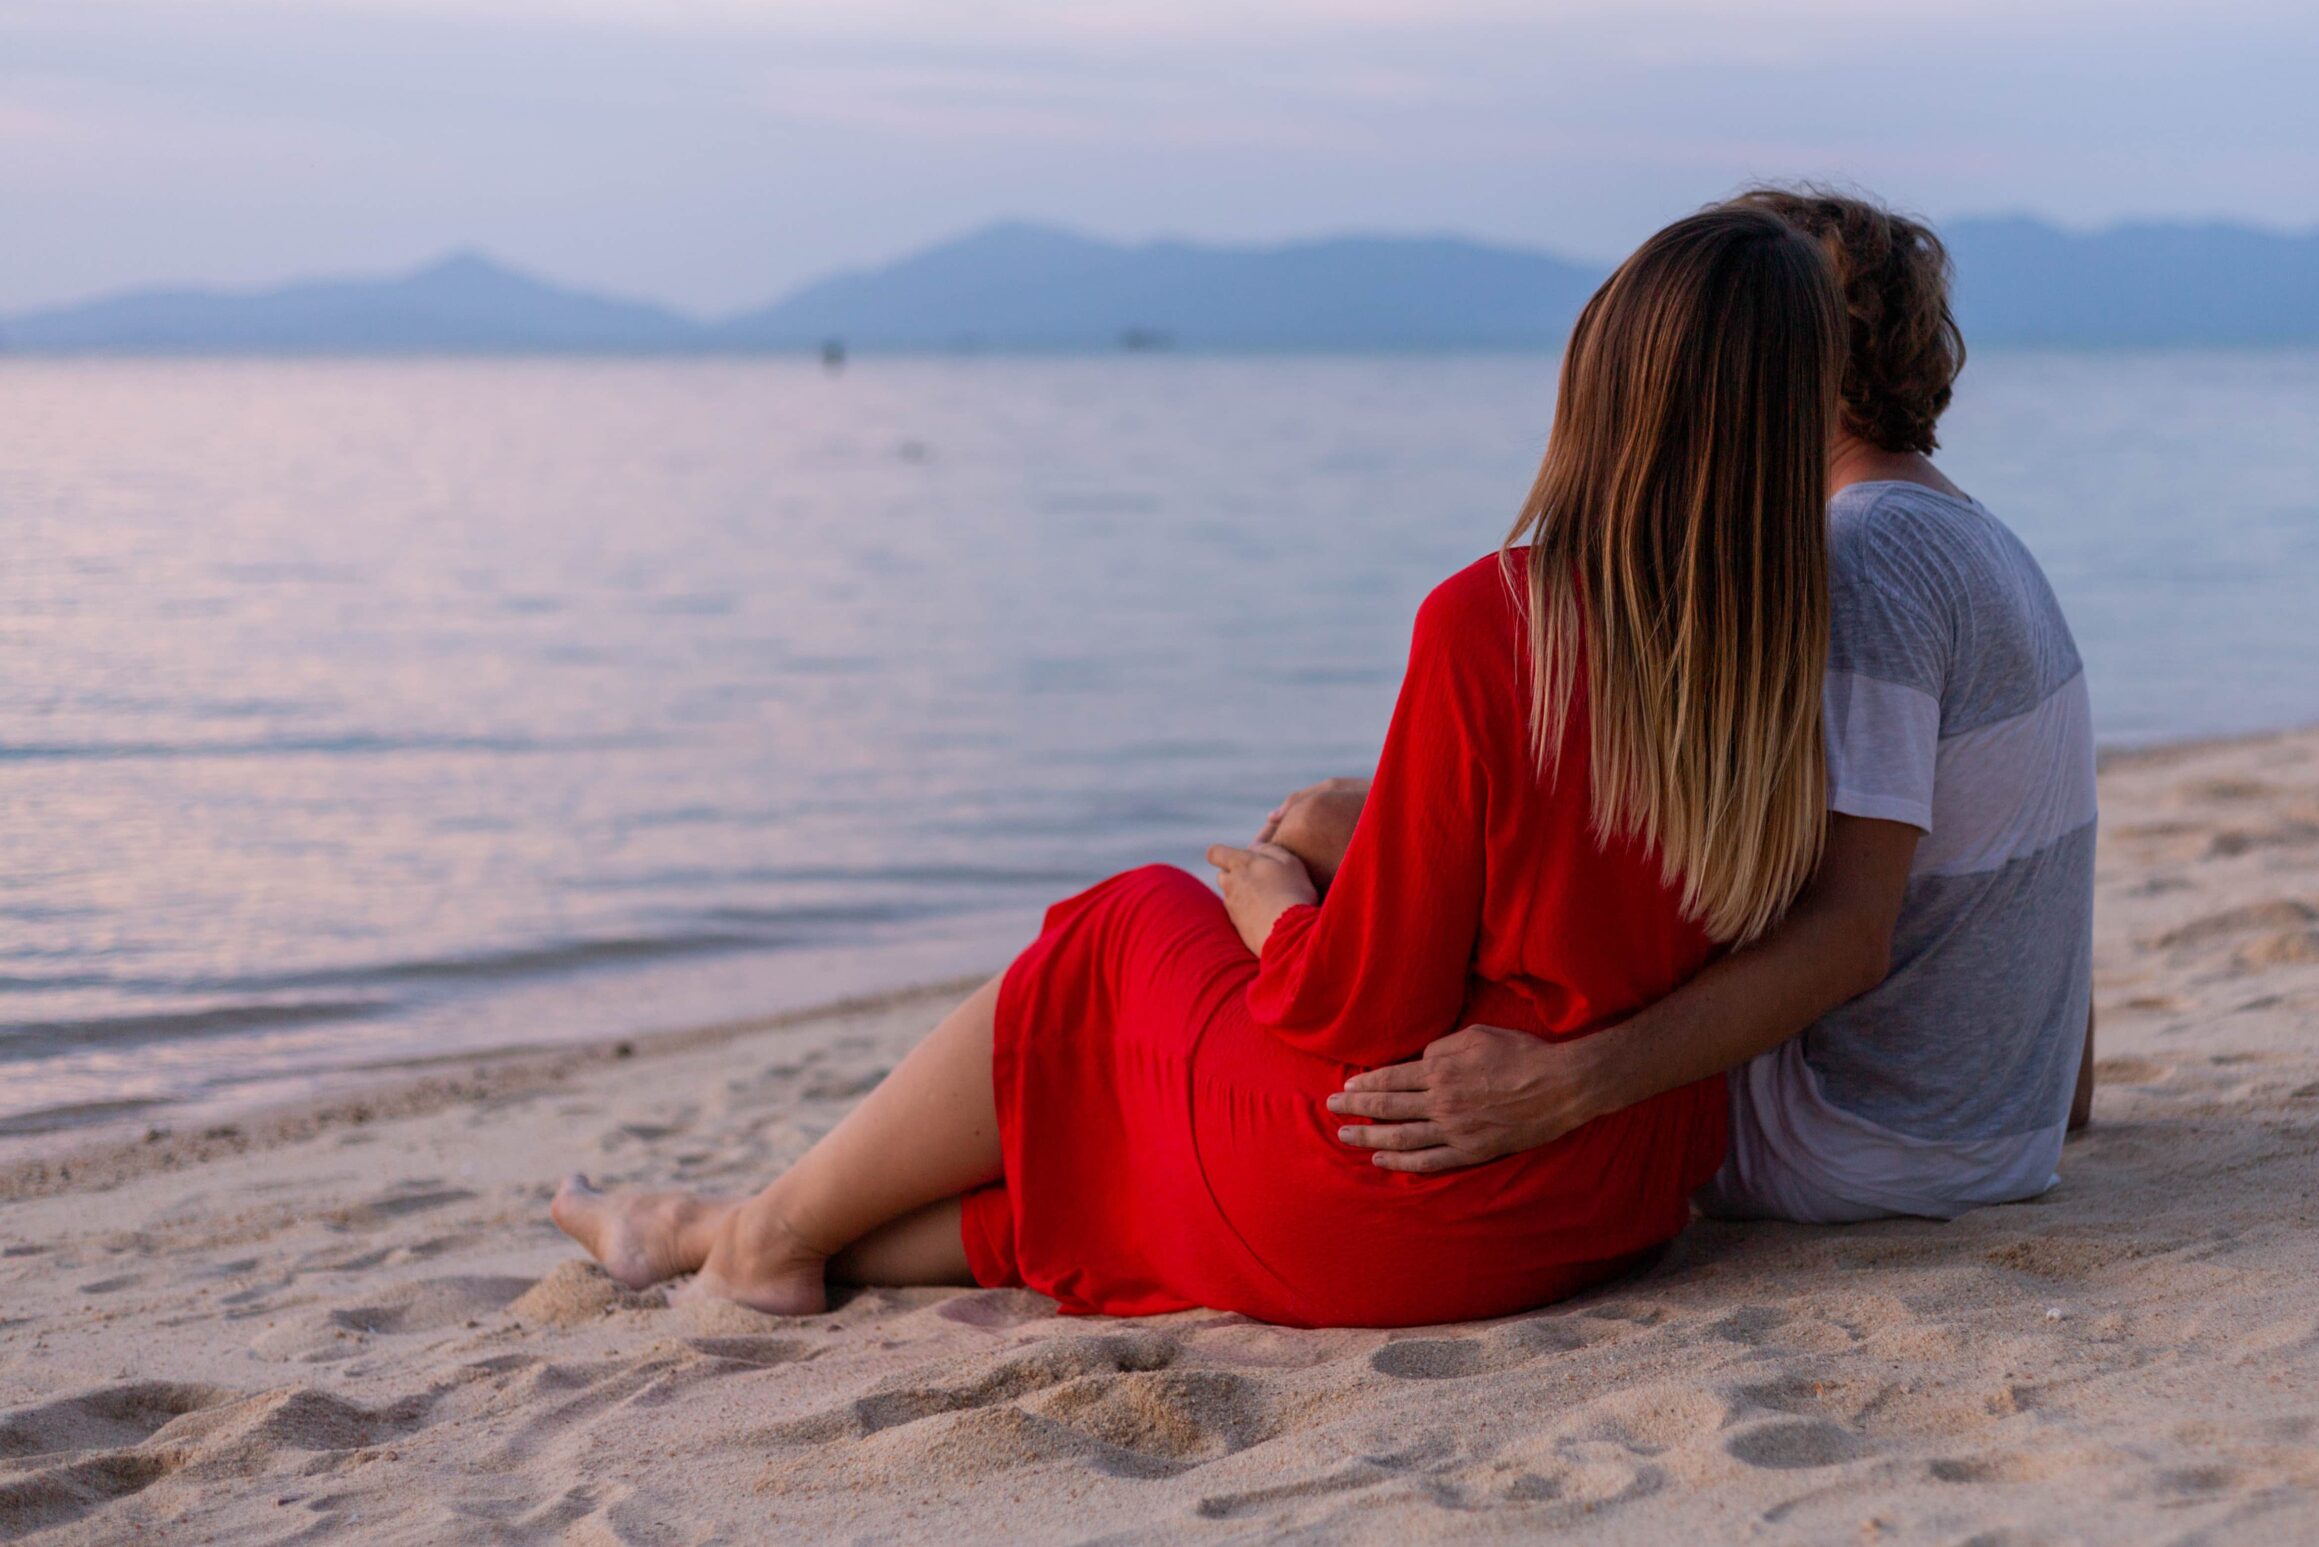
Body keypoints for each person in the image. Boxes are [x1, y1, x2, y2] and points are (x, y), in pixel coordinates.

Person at [553, 203, 1850, 1326]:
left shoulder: (1499, 619)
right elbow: (1595, 890)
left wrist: (1274, 897)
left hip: (1423, 1194)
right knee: (1102, 1166)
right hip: (1611, 1202)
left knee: (1129, 923)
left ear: (1604, 384)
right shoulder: (1800, 648)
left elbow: (1357, 1014)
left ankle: (766, 1237)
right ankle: (717, 1228)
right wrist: (1372, 826)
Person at [1317, 187, 2098, 1222]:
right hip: (1988, 1128)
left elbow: (1847, 935)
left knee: (1350, 844)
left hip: (1851, 1138)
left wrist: (1564, 1086)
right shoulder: (1973, 535)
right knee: (1377, 832)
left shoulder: (1861, 562)